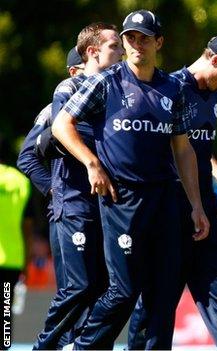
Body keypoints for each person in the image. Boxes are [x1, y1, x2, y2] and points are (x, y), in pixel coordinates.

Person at [51, 9, 209, 349]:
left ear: (159, 43)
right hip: (121, 199)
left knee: (163, 291)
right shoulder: (104, 82)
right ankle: (84, 347)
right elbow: (61, 125)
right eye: (130, 38)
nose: (137, 44)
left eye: (145, 38)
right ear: (124, 42)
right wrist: (92, 163)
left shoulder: (173, 88)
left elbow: (183, 149)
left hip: (164, 198)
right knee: (123, 290)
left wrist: (196, 204)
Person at [127, 34, 217, 350]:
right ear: (214, 59)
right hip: (169, 210)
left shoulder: (213, 92)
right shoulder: (169, 89)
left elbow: (193, 144)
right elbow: (167, 147)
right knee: (157, 306)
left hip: (206, 207)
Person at [33, 22, 124, 350]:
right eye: (116, 45)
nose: (124, 52)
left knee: (109, 289)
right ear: (92, 52)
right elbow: (42, 146)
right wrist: (53, 190)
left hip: (108, 205)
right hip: (72, 201)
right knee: (79, 287)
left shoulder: (121, 89)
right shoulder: (68, 89)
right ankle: (46, 347)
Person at [16, 45, 86, 349]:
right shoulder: (54, 109)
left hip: (99, 209)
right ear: (73, 72)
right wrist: (54, 188)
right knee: (75, 289)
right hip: (69, 209)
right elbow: (27, 158)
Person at [0, 135, 31, 351]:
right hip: (12, 257)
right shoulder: (20, 181)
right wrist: (26, 261)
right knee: (4, 311)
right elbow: (27, 226)